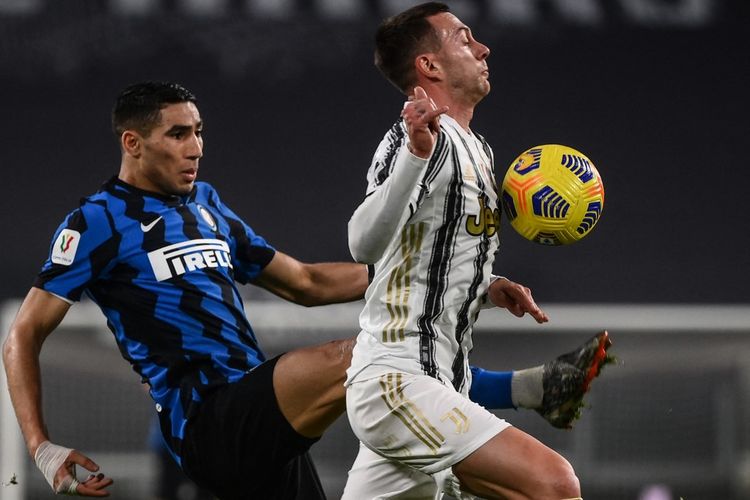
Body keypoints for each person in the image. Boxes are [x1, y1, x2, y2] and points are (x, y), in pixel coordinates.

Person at [2, 81, 608, 500]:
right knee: (364, 357)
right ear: (132, 142)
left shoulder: (207, 207)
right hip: (204, 421)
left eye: (199, 131)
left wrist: (458, 284)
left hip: (261, 420)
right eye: (178, 134)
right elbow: (23, 334)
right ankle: (529, 391)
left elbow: (308, 283)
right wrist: (42, 448)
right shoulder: (96, 221)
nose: (196, 147)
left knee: (376, 377)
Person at [342, 3, 606, 499]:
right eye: (464, 39)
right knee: (553, 484)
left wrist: (486, 288)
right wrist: (414, 155)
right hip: (399, 383)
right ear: (430, 66)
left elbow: (417, 257)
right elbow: (363, 243)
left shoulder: (476, 149)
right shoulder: (421, 138)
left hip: (438, 381)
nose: (483, 48)